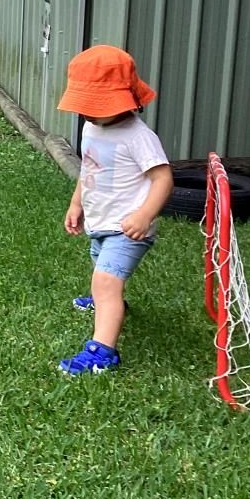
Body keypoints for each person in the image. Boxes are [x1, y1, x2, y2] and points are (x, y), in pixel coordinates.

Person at [56, 45, 173, 375]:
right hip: (100, 221)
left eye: (97, 104)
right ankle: (108, 301)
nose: (89, 112)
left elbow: (163, 178)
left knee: (107, 281)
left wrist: (144, 215)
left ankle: (102, 351)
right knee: (101, 274)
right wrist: (76, 202)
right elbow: (89, 169)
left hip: (128, 228)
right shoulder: (92, 127)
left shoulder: (138, 136)